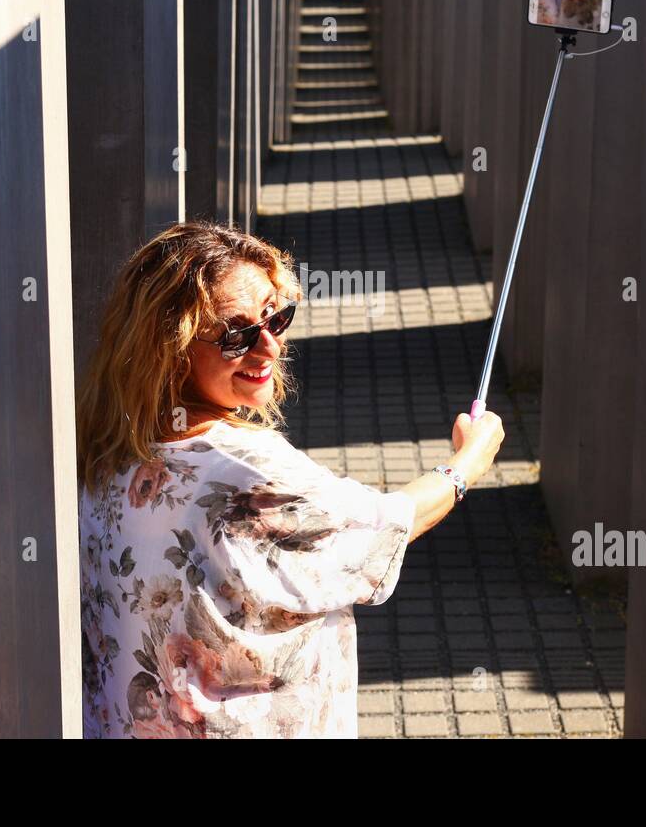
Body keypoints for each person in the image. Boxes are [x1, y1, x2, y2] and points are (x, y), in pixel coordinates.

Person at [76, 221, 505, 738]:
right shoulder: (244, 467)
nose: (269, 348)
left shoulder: (103, 447)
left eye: (275, 318)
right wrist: (467, 464)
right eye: (236, 335)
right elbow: (380, 526)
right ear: (169, 346)